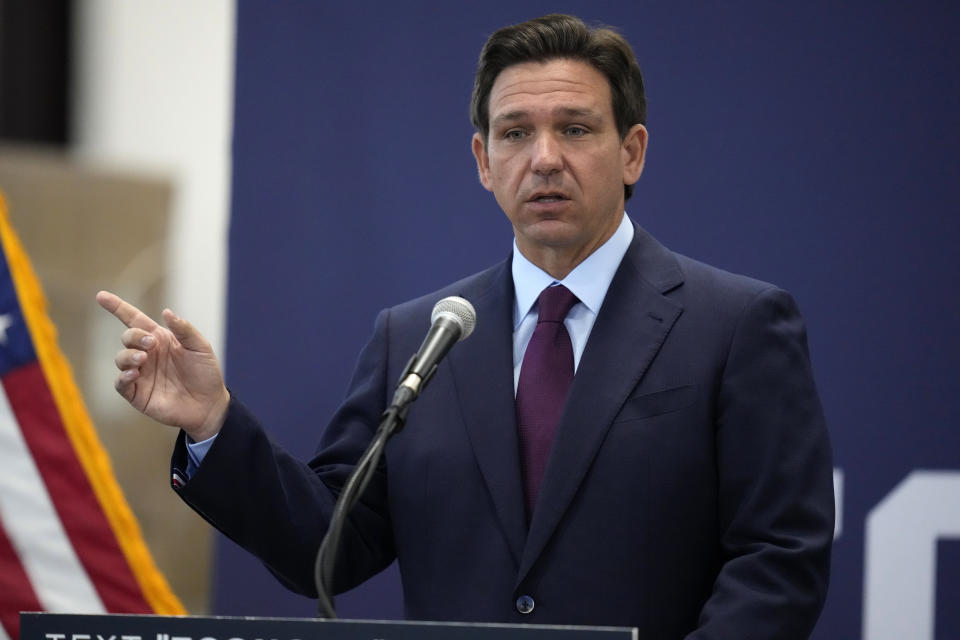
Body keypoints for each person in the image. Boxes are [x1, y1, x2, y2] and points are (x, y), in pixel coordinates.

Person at [98, 13, 834, 638]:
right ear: (484, 160)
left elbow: (779, 558)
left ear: (632, 150)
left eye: (575, 129)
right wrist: (211, 423)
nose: (544, 158)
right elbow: (328, 544)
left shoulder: (735, 324)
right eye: (516, 133)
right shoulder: (418, 336)